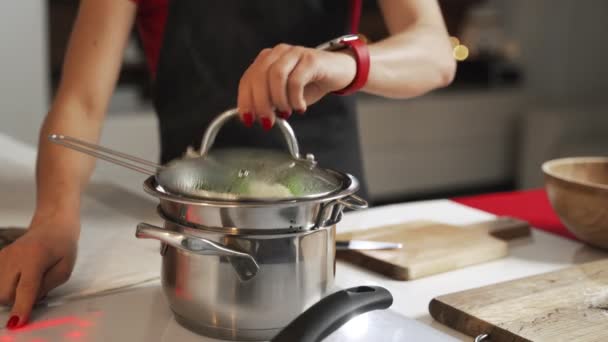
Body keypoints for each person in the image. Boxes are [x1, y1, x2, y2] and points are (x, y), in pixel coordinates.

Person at [0, 0, 455, 329]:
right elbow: (81, 101)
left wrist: (342, 64)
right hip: (197, 232)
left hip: (326, 237)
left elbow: (435, 53)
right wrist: (53, 222)